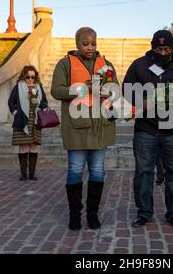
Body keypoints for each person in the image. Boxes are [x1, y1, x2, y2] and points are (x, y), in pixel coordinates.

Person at [123, 30, 173, 229]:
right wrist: (140, 101)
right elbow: (126, 88)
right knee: (144, 172)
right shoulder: (139, 65)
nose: (163, 52)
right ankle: (144, 212)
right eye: (159, 48)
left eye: (166, 48)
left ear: (172, 48)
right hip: (146, 128)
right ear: (152, 47)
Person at [51, 27, 118, 230]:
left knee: (97, 171)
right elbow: (56, 90)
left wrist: (108, 90)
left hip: (101, 126)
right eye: (85, 43)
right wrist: (85, 88)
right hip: (77, 127)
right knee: (75, 170)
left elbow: (116, 88)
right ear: (77, 43)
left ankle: (92, 213)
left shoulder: (106, 65)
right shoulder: (65, 64)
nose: (90, 47)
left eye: (93, 43)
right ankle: (75, 214)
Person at [8, 65, 48, 181]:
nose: (30, 79)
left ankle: (32, 174)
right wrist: (16, 112)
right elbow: (11, 102)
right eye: (28, 77)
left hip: (35, 120)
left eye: (33, 77)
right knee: (23, 147)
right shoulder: (18, 87)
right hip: (22, 120)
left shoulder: (39, 87)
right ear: (24, 77)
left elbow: (45, 102)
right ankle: (23, 174)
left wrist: (39, 105)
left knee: (34, 147)